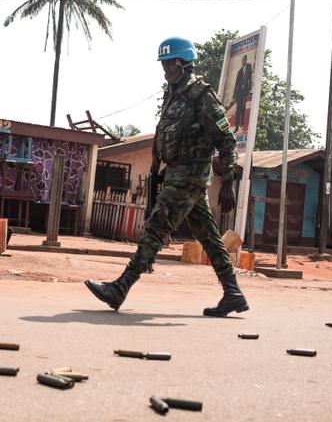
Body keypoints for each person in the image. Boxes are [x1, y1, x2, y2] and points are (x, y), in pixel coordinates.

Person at [84, 36, 249, 317]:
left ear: (184, 64)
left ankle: (121, 287)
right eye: (163, 64)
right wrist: (156, 171)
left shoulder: (201, 95)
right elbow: (165, 137)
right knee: (208, 237)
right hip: (176, 173)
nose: (165, 70)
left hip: (190, 174)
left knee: (156, 226)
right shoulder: (173, 95)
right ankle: (233, 293)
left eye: (170, 64)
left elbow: (226, 141)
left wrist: (229, 182)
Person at [232, 54, 252, 130]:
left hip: (245, 91)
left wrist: (249, 88)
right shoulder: (239, 71)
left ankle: (242, 122)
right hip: (239, 92)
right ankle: (236, 126)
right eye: (242, 60)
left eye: (244, 60)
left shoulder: (249, 66)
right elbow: (236, 84)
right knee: (238, 108)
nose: (243, 61)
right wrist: (234, 95)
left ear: (246, 60)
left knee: (243, 107)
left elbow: (250, 77)